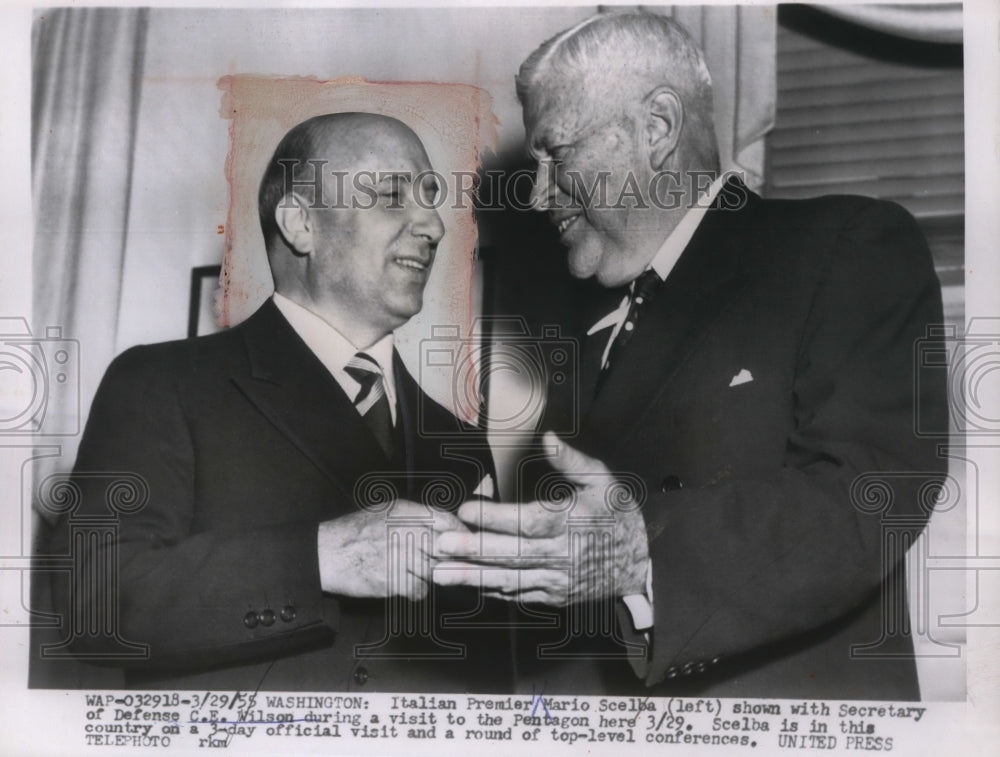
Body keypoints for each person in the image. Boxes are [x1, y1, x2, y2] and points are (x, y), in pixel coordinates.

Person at [435, 11, 948, 700]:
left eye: (556, 152)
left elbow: (873, 493)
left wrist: (640, 550)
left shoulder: (845, 247)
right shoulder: (583, 324)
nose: (536, 192)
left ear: (657, 128)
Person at [49, 112, 503, 692]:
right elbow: (93, 602)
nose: (434, 225)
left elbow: (488, 669)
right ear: (300, 224)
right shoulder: (160, 383)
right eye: (392, 193)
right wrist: (317, 560)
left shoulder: (462, 445)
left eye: (431, 197)